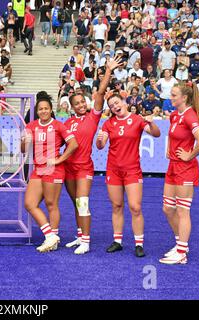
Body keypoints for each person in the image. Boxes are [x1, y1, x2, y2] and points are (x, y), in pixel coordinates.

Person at [64, 56, 123, 255]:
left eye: (83, 102)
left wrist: (108, 71)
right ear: (72, 107)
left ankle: (86, 241)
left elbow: (99, 94)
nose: (81, 105)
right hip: (68, 167)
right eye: (77, 104)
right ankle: (80, 235)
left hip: (83, 168)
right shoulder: (67, 122)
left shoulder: (92, 117)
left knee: (82, 201)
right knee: (75, 202)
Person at [96, 86, 161, 258]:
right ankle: (117, 241)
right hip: (113, 170)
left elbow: (156, 134)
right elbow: (100, 146)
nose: (115, 106)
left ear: (124, 102)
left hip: (132, 170)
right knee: (116, 206)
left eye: (117, 102)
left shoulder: (138, 120)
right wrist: (100, 141)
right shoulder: (108, 123)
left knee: (135, 207)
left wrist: (151, 122)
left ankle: (138, 243)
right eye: (111, 105)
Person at [22, 92, 77, 253]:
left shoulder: (59, 125)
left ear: (51, 110)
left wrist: (60, 159)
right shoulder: (31, 126)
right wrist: (25, 141)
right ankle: (50, 236)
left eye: (46, 108)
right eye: (40, 109)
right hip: (38, 169)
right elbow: (22, 149)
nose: (43, 111)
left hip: (53, 169)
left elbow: (73, 144)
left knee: (51, 204)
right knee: (30, 204)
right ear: (37, 111)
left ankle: (52, 239)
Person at [159, 83, 199, 265]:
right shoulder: (174, 115)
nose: (170, 97)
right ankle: (181, 244)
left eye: (173, 95)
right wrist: (168, 148)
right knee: (167, 208)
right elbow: (171, 135)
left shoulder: (190, 116)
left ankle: (181, 252)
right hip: (173, 166)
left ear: (184, 98)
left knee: (182, 210)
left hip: (185, 169)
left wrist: (189, 155)